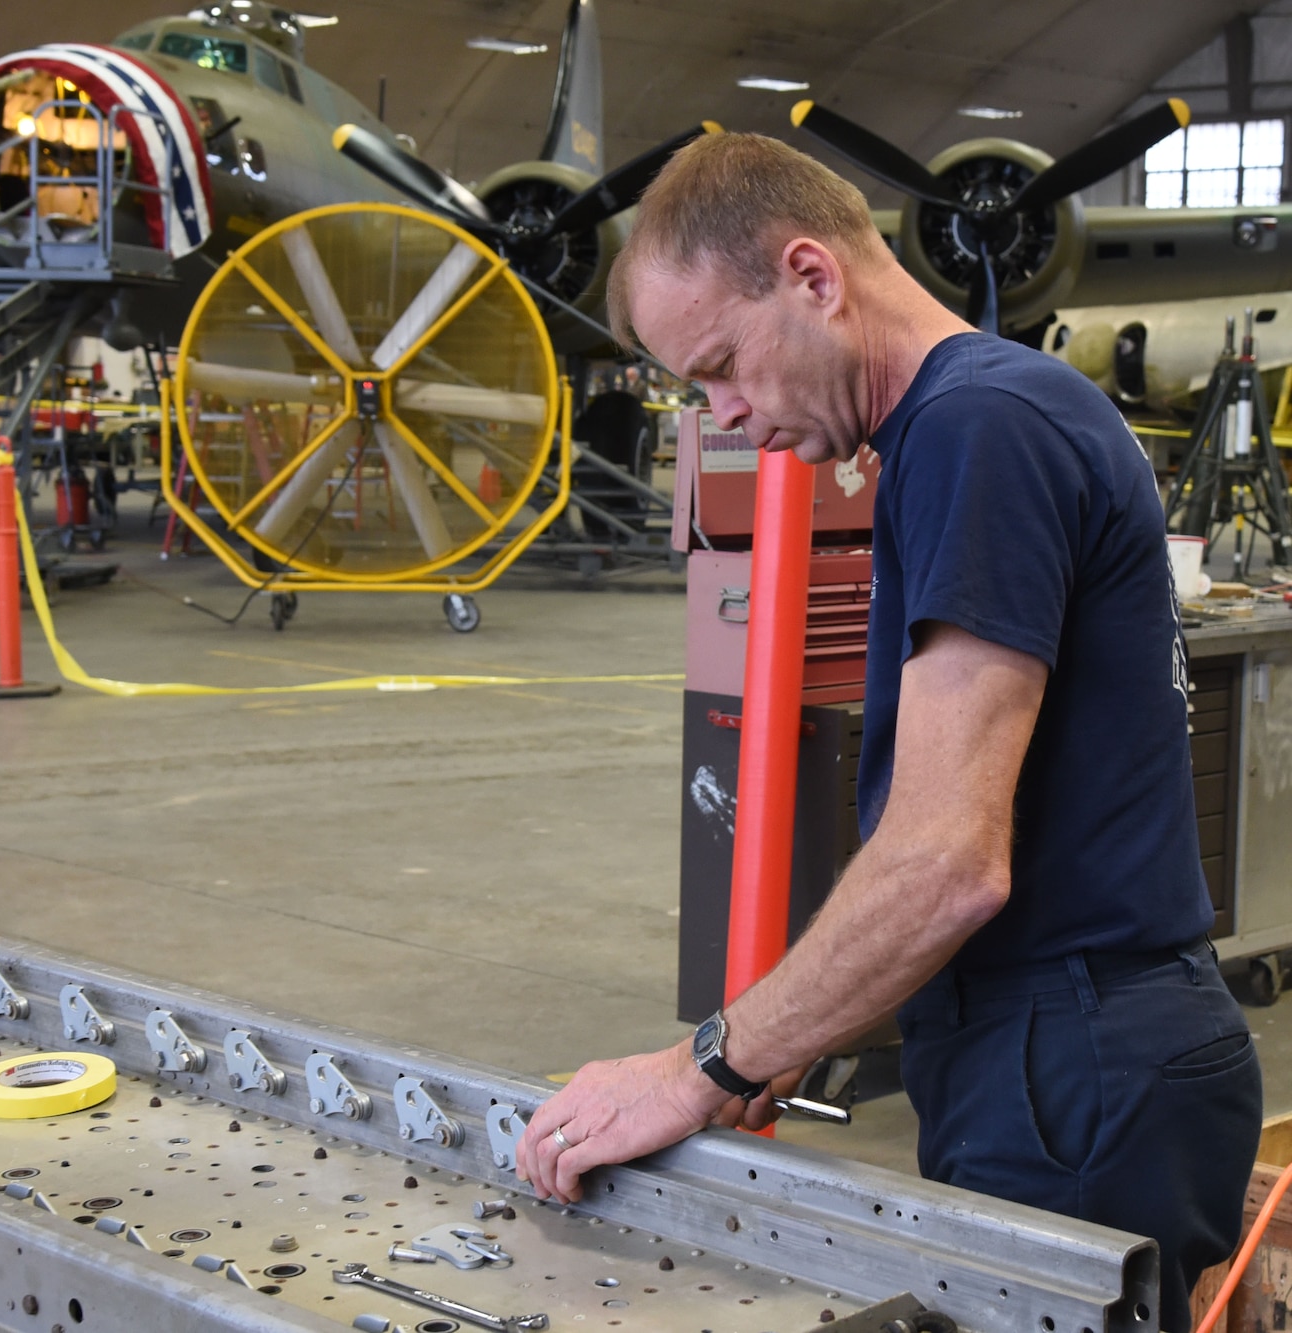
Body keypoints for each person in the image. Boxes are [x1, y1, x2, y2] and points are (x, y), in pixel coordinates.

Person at [514, 132, 1262, 1330]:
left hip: (1066, 1066)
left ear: (812, 277)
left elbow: (945, 863)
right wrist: (808, 1017)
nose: (723, 417)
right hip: (1070, 1046)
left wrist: (704, 1061)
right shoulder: (990, 416)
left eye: (718, 366)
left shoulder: (975, 431)